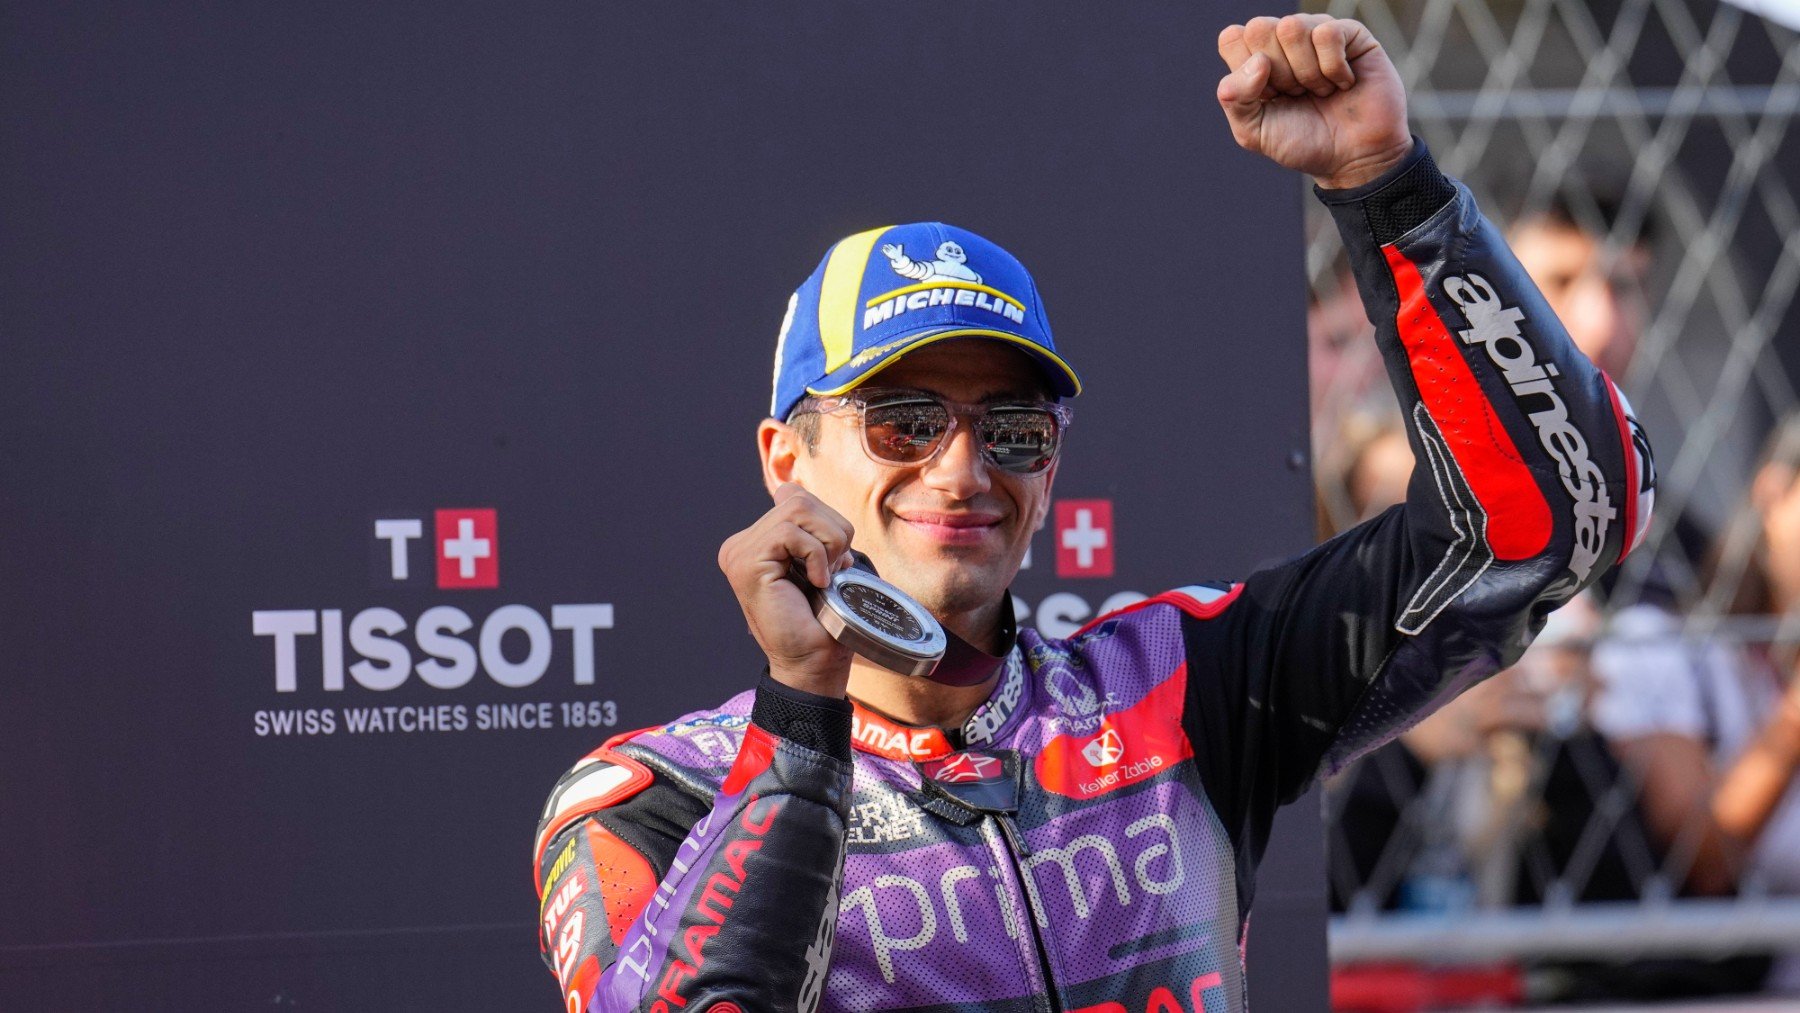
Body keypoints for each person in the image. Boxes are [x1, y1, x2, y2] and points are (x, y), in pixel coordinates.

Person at [531, 15, 1656, 1012]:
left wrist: (1387, 184)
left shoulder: (1190, 685)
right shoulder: (649, 798)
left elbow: (1560, 517)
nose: (963, 467)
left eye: (1013, 427)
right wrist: (802, 723)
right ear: (786, 458)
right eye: (903, 420)